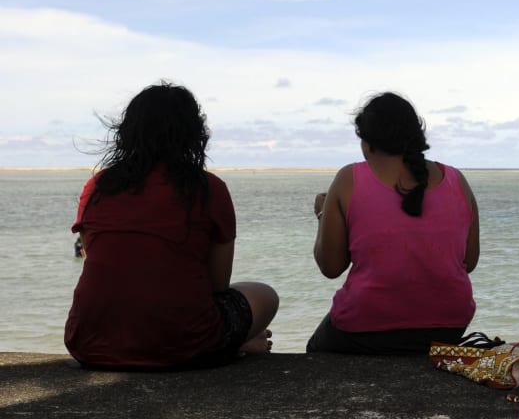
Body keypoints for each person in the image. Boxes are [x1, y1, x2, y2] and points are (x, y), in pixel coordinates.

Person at [66, 83, 279, 369]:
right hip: (184, 348)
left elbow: (96, 260)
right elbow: (217, 286)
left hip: (88, 344)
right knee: (265, 295)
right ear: (193, 134)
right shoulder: (209, 189)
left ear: (127, 132)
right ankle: (237, 342)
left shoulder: (98, 185)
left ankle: (234, 342)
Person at [308, 92, 480, 354]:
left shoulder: (349, 179)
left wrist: (323, 216)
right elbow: (470, 262)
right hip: (449, 325)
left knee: (316, 351)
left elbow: (331, 267)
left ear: (367, 143)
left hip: (365, 326)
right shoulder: (456, 180)